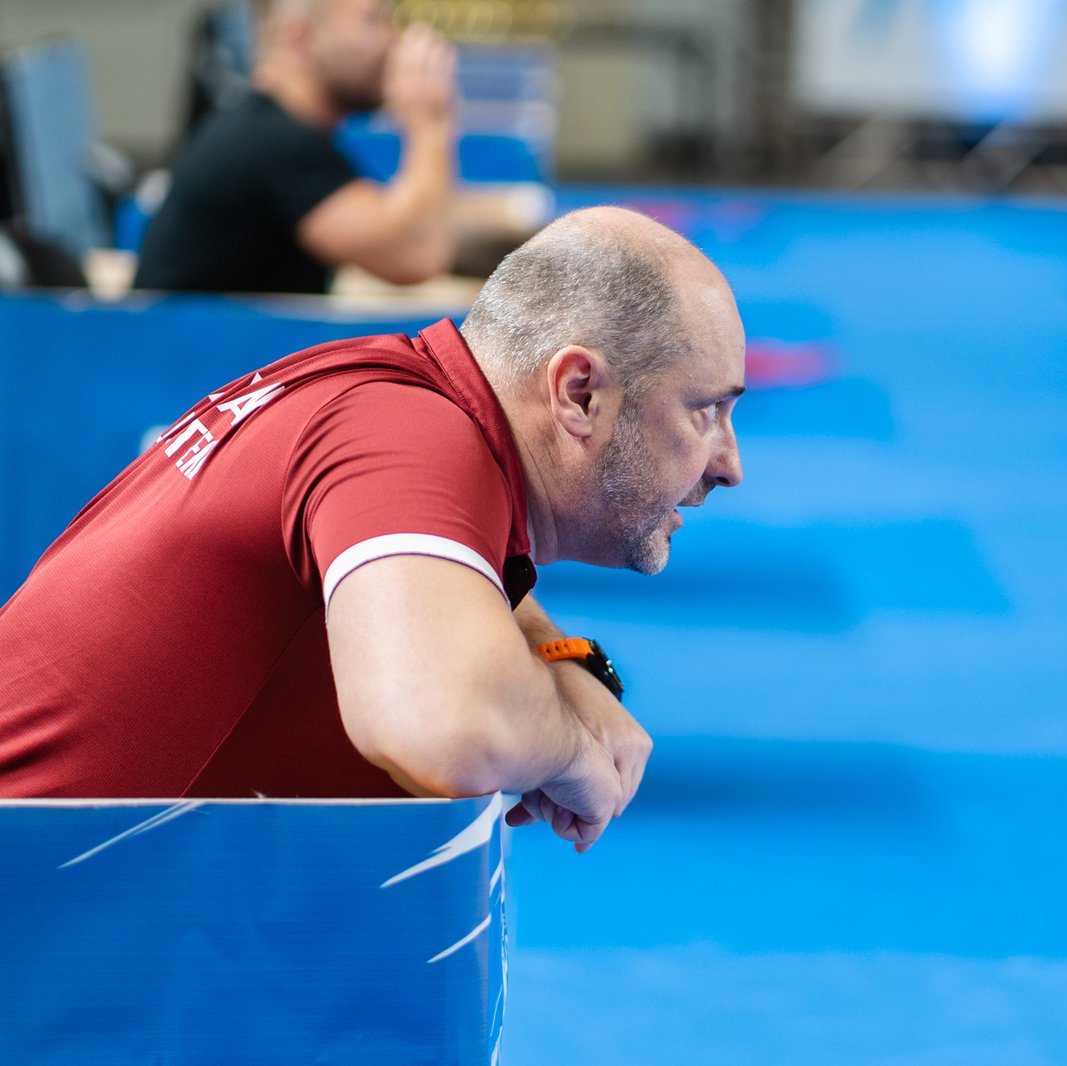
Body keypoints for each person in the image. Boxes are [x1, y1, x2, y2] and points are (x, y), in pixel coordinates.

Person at [0, 207, 746, 853]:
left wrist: (565, 662)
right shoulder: (408, 435)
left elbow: (464, 585)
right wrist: (575, 750)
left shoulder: (399, 395)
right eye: (706, 411)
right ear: (579, 393)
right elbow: (444, 721)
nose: (730, 465)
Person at [133, 0, 456, 295]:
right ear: (302, 39)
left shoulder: (267, 130)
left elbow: (407, 225)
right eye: (372, 21)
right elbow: (415, 253)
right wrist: (429, 122)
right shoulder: (271, 143)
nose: (392, 41)